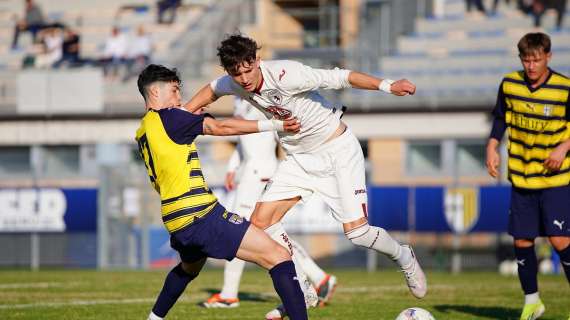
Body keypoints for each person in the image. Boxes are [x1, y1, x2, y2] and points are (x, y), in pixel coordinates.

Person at [184, 34, 428, 317]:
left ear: (257, 61)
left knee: (358, 234)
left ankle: (404, 257)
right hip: (299, 160)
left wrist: (388, 85)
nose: (244, 78)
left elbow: (342, 77)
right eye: (236, 73)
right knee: (260, 225)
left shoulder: (288, 74)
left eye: (248, 69)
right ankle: (302, 290)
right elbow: (211, 90)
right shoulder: (234, 82)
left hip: (336, 151)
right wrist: (182, 112)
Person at [135, 64, 308, 320]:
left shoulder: (143, 130)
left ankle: (154, 318)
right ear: (156, 93)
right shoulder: (170, 117)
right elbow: (221, 129)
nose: (179, 98)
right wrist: (276, 124)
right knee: (278, 256)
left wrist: (194, 120)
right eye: (174, 91)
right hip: (200, 215)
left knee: (189, 268)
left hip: (175, 219)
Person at [200, 98, 337, 313]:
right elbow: (244, 139)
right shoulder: (241, 99)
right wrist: (233, 167)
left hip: (257, 176)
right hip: (252, 174)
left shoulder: (260, 97)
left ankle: (228, 295)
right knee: (271, 232)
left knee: (236, 233)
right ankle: (318, 278)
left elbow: (272, 134)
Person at [485, 32, 570, 320]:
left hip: (555, 178)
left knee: (559, 240)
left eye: (536, 59)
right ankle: (532, 302)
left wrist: (564, 147)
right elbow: (500, 118)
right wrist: (492, 146)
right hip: (521, 176)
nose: (531, 66)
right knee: (522, 240)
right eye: (526, 59)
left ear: (548, 56)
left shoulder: (564, 87)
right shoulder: (510, 84)